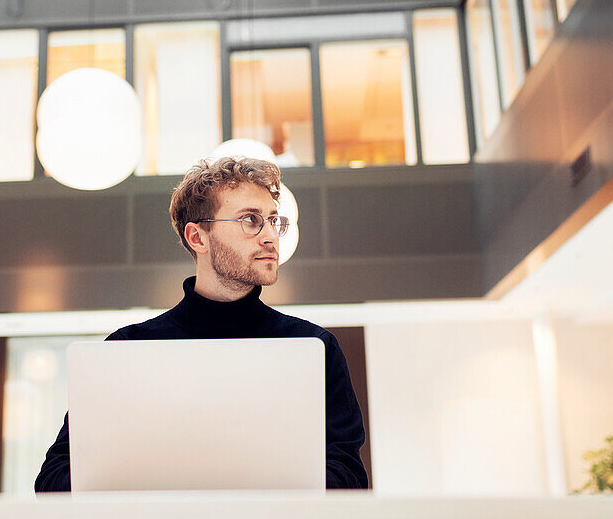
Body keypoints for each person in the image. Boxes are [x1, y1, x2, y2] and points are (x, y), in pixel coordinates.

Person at [34, 156, 369, 491]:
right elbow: (53, 482)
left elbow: (350, 479)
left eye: (273, 220)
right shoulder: (127, 350)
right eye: (250, 220)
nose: (270, 236)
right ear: (197, 238)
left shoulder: (314, 348)